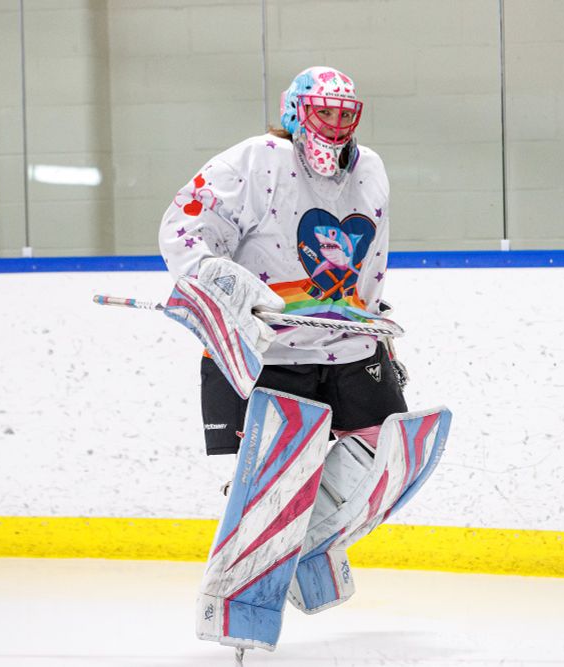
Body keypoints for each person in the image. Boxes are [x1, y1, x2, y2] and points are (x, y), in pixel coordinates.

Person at [156, 66, 451, 657]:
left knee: (382, 462)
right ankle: (237, 604)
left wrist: (373, 320)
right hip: (266, 350)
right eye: (325, 113)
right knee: (273, 484)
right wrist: (230, 284)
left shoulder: (371, 169)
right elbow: (184, 232)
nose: (337, 127)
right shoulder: (254, 162)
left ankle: (304, 546)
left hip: (349, 346)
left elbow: (366, 259)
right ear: (296, 112)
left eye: (348, 114)